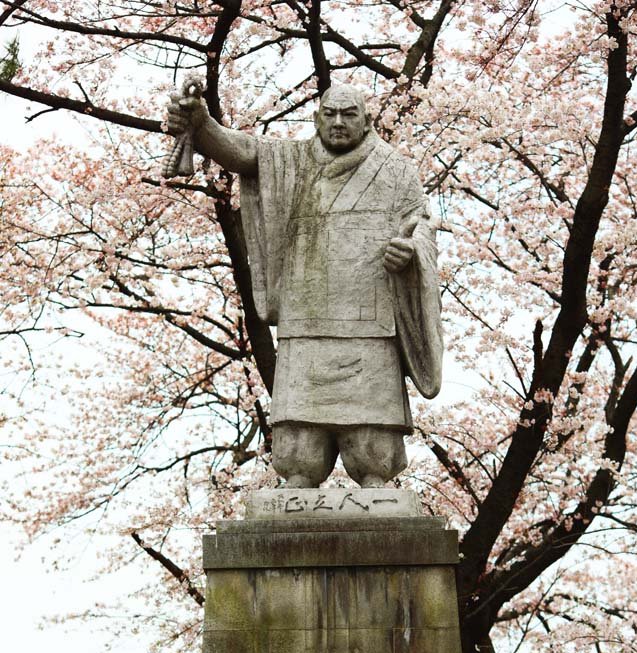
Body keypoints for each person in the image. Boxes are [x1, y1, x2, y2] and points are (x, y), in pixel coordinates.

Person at [166, 82, 443, 488]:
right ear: (316, 119)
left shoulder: (397, 171)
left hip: (371, 325)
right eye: (330, 114)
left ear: (367, 121)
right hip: (305, 321)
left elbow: (421, 229)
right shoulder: (291, 160)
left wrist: (410, 254)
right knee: (298, 452)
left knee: (373, 449)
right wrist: (203, 125)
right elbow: (244, 152)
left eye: (349, 114)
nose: (338, 122)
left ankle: (374, 481)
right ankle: (298, 483)